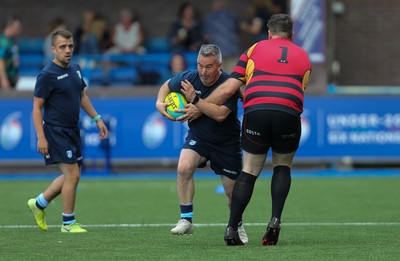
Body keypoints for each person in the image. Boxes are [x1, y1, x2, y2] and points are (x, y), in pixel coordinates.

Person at [181, 14, 311, 246]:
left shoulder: (254, 49)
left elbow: (230, 88)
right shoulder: (303, 55)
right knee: (282, 166)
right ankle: (274, 220)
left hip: (257, 111)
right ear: (292, 36)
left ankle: (232, 228)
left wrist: (199, 107)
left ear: (269, 33)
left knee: (250, 170)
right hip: (288, 114)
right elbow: (300, 88)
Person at [155, 44, 248, 243]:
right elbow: (166, 85)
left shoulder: (228, 83)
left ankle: (236, 224)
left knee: (232, 191)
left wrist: (196, 101)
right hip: (200, 137)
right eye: (200, 65)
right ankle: (186, 219)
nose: (203, 71)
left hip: (226, 142)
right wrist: (159, 103)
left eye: (208, 66)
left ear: (219, 65)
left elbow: (221, 115)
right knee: (184, 166)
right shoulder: (189, 78)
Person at [28, 29, 108, 233]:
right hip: (55, 131)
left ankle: (39, 203)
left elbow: (81, 96)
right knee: (72, 175)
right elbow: (37, 108)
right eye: (62, 47)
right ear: (53, 49)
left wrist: (97, 118)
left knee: (71, 174)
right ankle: (68, 223)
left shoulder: (76, 69)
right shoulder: (47, 75)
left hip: (73, 130)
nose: (68, 50)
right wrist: (41, 137)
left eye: (70, 46)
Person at [204, 0, 241, 73]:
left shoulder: (210, 18)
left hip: (218, 53)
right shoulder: (232, 16)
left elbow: (207, 37)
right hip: (232, 51)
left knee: (220, 79)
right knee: (233, 77)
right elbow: (238, 31)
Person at [0, 15, 22, 90]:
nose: (19, 29)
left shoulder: (13, 41)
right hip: (5, 78)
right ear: (10, 26)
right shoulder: (4, 42)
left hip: (12, 78)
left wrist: (16, 74)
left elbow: (14, 58)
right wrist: (3, 79)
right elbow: (1, 60)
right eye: (17, 26)